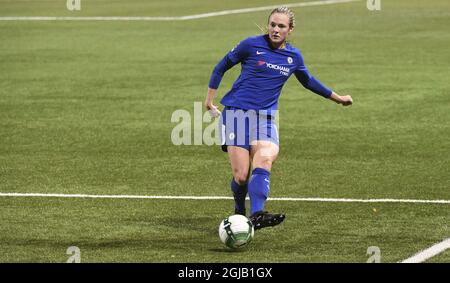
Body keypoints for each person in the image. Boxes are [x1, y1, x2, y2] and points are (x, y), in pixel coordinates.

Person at [204, 7, 353, 230]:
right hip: (236, 113)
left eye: (281, 26)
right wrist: (209, 100)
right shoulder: (250, 45)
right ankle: (239, 210)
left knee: (264, 158)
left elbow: (308, 81)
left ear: (290, 29)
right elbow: (221, 66)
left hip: (265, 118)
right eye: (272, 24)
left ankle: (257, 215)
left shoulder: (293, 57)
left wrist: (337, 98)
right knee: (242, 175)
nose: (275, 29)